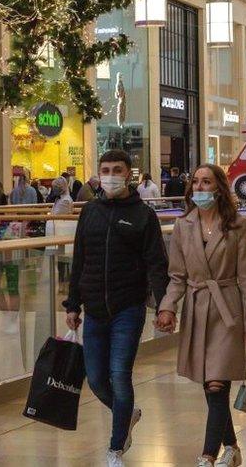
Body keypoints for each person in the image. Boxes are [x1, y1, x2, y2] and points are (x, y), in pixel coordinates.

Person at [64, 150, 169, 467]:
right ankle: (129, 415)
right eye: (105, 169)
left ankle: (115, 448)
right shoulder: (90, 212)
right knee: (96, 379)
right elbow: (79, 260)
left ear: (129, 175)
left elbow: (157, 264)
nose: (110, 175)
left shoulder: (143, 215)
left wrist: (165, 305)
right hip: (94, 308)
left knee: (119, 375)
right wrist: (73, 303)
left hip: (128, 307)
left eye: (117, 169)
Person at [155, 164, 246, 467]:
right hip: (197, 309)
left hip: (228, 311)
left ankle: (207, 456)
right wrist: (167, 306)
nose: (200, 187)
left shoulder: (238, 226)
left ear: (219, 188)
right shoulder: (183, 225)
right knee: (210, 386)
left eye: (207, 182)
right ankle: (233, 447)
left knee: (217, 384)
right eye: (196, 182)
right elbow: (176, 276)